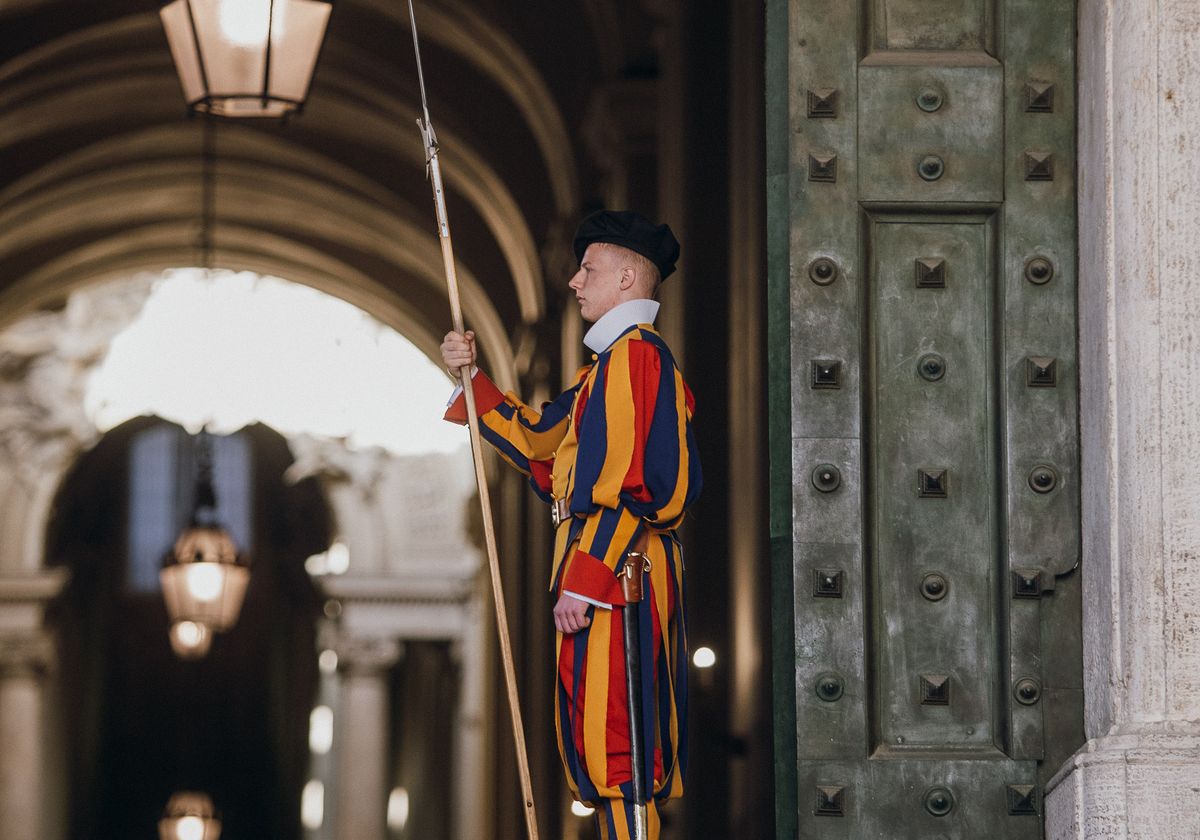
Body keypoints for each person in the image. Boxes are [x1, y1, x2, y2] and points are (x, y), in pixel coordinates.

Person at [441, 209, 701, 839]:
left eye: (590, 269)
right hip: (604, 572)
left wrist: (584, 579)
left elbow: (629, 485)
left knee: (621, 743)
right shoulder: (602, 372)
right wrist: (470, 377)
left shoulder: (635, 360)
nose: (575, 282)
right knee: (597, 735)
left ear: (629, 278)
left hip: (620, 572)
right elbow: (539, 443)